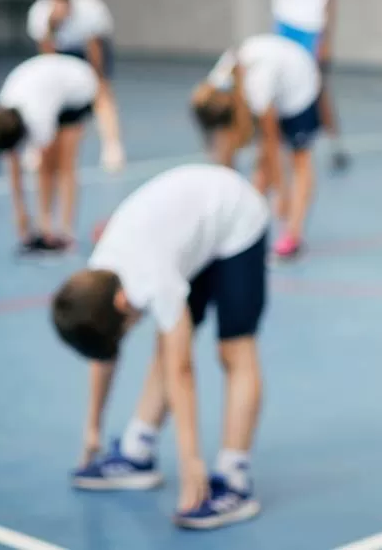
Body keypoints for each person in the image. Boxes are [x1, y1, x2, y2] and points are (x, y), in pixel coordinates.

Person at [50, 163, 269, 530]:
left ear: (123, 303)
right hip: (191, 232)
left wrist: (190, 462)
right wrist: (92, 430)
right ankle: (138, 451)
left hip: (235, 219)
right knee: (165, 343)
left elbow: (181, 369)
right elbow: (103, 354)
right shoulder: (98, 279)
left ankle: (234, 477)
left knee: (233, 350)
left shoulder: (152, 277)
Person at [190, 33, 321, 258]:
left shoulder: (257, 89)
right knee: (261, 164)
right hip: (269, 78)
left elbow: (272, 145)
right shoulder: (215, 89)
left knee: (299, 159)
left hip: (298, 83)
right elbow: (225, 154)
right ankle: (243, 223)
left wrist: (282, 194)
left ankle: (292, 235)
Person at [0, 53, 99, 252]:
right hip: (49, 82)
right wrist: (20, 212)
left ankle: (66, 231)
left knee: (63, 163)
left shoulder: (38, 118)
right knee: (47, 167)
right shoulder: (3, 113)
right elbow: (13, 164)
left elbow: (46, 167)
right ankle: (45, 225)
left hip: (78, 86)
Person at [265, 0, 349, 171]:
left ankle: (334, 144)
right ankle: (280, 144)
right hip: (285, 26)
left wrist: (326, 38)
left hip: (312, 28)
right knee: (281, 87)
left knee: (318, 87)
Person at [26, 0, 125, 173]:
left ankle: (113, 147)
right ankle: (38, 149)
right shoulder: (39, 14)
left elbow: (94, 49)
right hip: (60, 51)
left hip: (87, 50)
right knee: (47, 97)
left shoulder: (90, 11)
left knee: (101, 94)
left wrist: (98, 79)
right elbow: (46, 55)